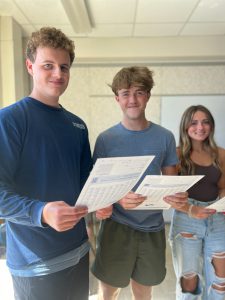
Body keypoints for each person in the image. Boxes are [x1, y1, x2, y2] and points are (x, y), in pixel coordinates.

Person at [0, 27, 111, 300]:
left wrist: (103, 200)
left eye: (64, 66)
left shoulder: (77, 126)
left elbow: (86, 181)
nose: (58, 74)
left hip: (78, 250)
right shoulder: (10, 120)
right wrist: (41, 212)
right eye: (48, 65)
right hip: (35, 262)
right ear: (30, 66)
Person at [91, 66, 188, 300]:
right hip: (116, 227)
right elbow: (97, 188)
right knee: (108, 292)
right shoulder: (106, 140)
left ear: (148, 96)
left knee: (143, 292)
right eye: (125, 93)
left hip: (152, 228)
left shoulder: (165, 137)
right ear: (117, 99)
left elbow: (171, 182)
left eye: (139, 92)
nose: (132, 100)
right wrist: (114, 200)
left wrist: (177, 195)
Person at [169, 105, 225, 299]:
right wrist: (191, 209)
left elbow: (222, 187)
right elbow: (168, 195)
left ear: (211, 126)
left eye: (205, 122)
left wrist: (223, 201)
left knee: (221, 281)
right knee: (189, 282)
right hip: (187, 218)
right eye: (194, 122)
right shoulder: (176, 155)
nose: (200, 127)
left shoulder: (221, 154)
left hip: (216, 217)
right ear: (186, 126)